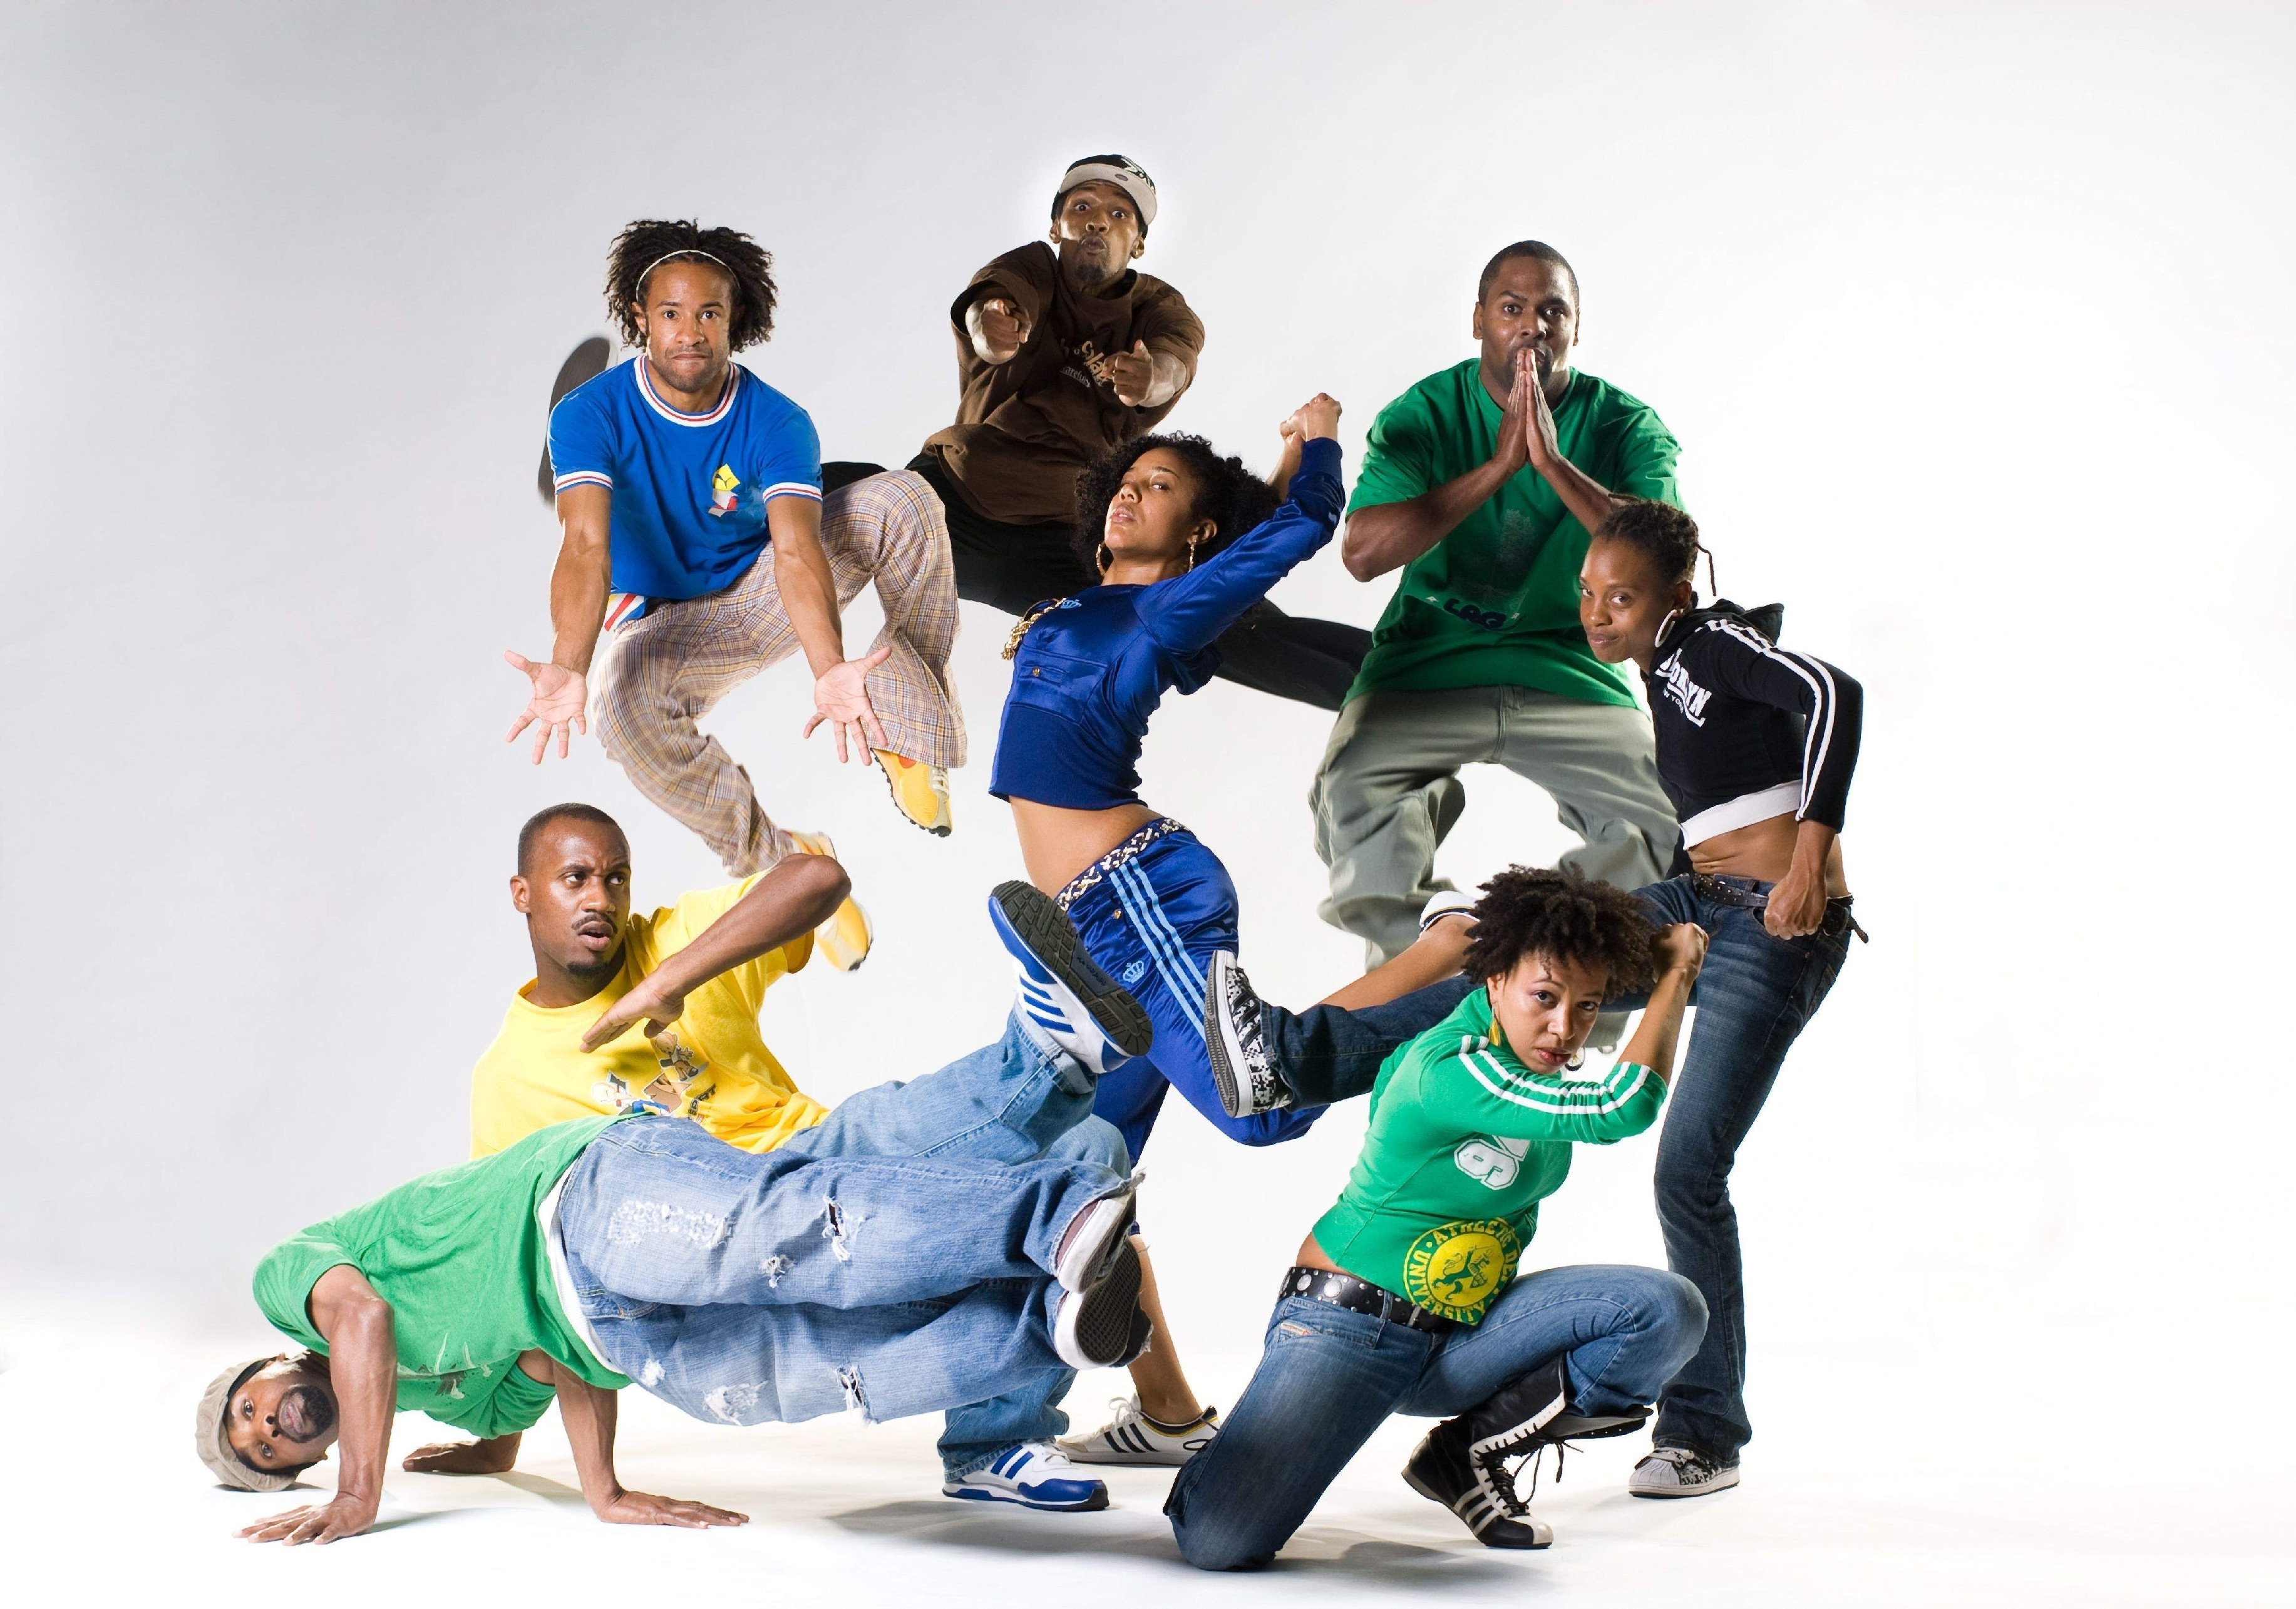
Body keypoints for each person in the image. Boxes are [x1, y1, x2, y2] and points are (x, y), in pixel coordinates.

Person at [1211, 496, 1865, 1499]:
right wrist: (1549, 462)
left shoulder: (1708, 641)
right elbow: (1628, 529)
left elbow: (1833, 691)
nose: (1597, 613)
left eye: (1620, 599)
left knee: (1688, 1172)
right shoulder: (1657, 653)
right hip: (1698, 893)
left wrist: (1812, 857)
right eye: (1588, 593)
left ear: (1674, 596)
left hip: (1776, 925)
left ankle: (1706, 1433)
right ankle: (1290, 1060)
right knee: (1511, 953)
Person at [199, 883, 1160, 1543]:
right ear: (302, 1461)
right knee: (832, 1370)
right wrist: (581, 1483)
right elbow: (547, 1361)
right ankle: (1051, 1326)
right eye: (269, 1452)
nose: (270, 1424)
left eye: (247, 1408)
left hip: (589, 1208)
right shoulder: (431, 1395)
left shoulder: (292, 1282)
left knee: (799, 1227)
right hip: (623, 1334)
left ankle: (1054, 1193)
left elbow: (363, 1319)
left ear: (264, 1363)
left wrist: (362, 1492)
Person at [989, 396, 1479, 1467]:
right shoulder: (1097, 603)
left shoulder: (1168, 613)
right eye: (1128, 482)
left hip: (1136, 899)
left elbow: (1301, 523)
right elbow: (1240, 527)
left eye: (1160, 488)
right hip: (1080, 940)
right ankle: (1169, 1415)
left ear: (1198, 534)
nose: (1131, 494)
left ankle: (1453, 959)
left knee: (1261, 1107)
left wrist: (1317, 442)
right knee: (1078, 1184)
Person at [396, 802, 1136, 1509]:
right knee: (1042, 1182)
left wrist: (671, 980)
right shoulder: (509, 1077)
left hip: (817, 1154)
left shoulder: (666, 941)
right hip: (727, 1247)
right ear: (523, 893)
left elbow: (819, 878)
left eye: (616, 877)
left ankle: (994, 1438)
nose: (601, 897)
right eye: (574, 878)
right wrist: (498, 1442)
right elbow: (517, 1272)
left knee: (1088, 1147)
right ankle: (1050, 1056)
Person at [1164, 868, 1710, 1567]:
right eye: (1544, 997)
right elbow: (1617, 1108)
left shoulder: (1533, 1075)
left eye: (1587, 1006)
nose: (1565, 1028)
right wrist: (1676, 975)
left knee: (1665, 1309)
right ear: (1494, 980)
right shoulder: (1448, 1067)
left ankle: (1463, 1455)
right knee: (1219, 1542)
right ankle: (1224, 1461)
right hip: (1351, 1329)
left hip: (1462, 1335)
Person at [507, 219, 964, 883]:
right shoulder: (588, 414)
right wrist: (569, 663)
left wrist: (831, 667)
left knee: (907, 499)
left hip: (760, 589)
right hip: (668, 625)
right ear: (641, 318)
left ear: (734, 318)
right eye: (671, 313)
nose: (689, 332)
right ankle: (784, 872)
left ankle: (906, 730)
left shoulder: (777, 420)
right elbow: (584, 547)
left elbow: (797, 551)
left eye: (708, 313)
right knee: (619, 710)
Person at [1313, 240, 1684, 967]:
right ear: (1479, 319)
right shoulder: (1425, 411)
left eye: (1553, 311)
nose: (1532, 326)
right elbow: (1362, 554)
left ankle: (1550, 977)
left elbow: (1667, 558)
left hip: (1571, 667)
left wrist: (1552, 463)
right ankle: (1434, 979)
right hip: (1427, 664)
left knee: (1668, 830)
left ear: (1577, 326)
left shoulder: (1626, 424)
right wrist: (1498, 467)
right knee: (1351, 797)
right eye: (1513, 308)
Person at [906, 155, 1371, 710]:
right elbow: (988, 304)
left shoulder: (1158, 307)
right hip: (954, 502)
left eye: (1119, 214)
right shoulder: (1032, 268)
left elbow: (1175, 359)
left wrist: (1153, 379)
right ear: (1057, 227)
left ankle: (1419, 686)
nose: (1097, 221)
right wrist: (990, 328)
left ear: (1139, 242)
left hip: (1068, 538)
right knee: (832, 497)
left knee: (1229, 624)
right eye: (1082, 207)